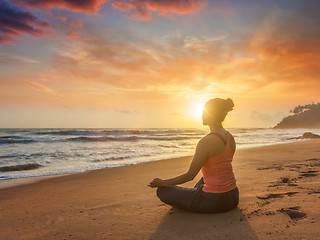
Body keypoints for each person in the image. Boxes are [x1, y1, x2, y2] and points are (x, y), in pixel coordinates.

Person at [148, 98, 239, 213]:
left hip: (214, 201)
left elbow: (190, 175)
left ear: (210, 116)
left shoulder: (206, 142)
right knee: (202, 179)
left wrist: (163, 182)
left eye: (203, 111)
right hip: (233, 197)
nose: (201, 114)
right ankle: (195, 194)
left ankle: (192, 197)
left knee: (162, 191)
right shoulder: (230, 138)